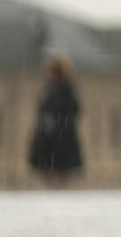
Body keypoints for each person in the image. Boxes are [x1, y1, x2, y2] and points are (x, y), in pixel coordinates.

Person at [27, 54, 84, 186]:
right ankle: (54, 190)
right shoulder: (51, 89)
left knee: (59, 168)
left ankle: (58, 192)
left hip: (59, 136)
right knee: (49, 167)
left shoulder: (64, 89)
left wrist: (58, 123)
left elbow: (72, 109)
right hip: (50, 134)